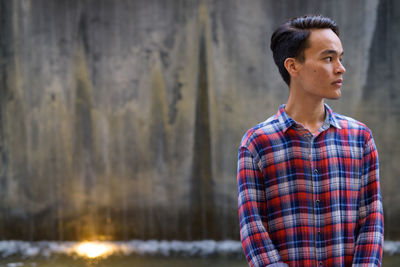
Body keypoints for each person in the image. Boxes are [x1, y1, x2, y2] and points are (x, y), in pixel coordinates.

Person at [237, 15, 384, 267]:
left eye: (340, 58)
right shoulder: (257, 143)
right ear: (293, 67)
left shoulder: (360, 138)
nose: (340, 68)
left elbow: (371, 219)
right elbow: (253, 228)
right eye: (328, 58)